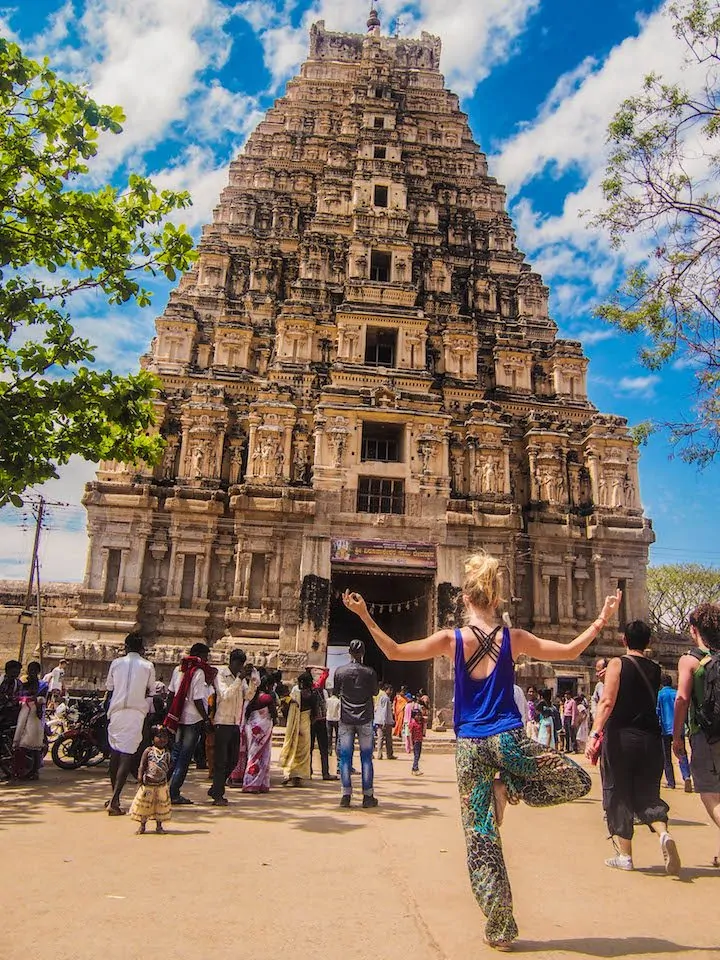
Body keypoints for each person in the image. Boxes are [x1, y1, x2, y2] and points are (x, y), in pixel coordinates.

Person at [342, 551, 618, 950]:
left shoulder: (451, 641)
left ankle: (501, 927)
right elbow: (571, 651)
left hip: (470, 746)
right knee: (574, 779)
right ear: (496, 599)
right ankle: (511, 789)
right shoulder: (515, 639)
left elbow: (394, 652)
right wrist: (602, 618)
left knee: (480, 834)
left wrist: (365, 616)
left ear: (465, 600)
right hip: (508, 740)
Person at [587, 620, 681, 876]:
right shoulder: (655, 668)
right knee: (648, 793)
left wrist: (595, 732)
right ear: (648, 642)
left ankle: (625, 856)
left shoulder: (618, 663)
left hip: (621, 738)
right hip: (650, 739)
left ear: (624, 640)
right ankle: (663, 834)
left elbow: (607, 702)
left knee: (618, 793)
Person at [673, 602, 720, 868]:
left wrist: (677, 736)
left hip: (705, 733)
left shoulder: (690, 660)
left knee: (709, 794)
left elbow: (682, 698)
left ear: (694, 630)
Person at [105, 633, 156, 816]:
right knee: (126, 756)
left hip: (117, 711)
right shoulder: (148, 666)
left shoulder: (116, 663)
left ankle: (114, 797)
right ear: (142, 648)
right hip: (135, 713)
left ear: (125, 647)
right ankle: (114, 799)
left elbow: (110, 688)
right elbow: (151, 690)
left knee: (115, 754)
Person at [165, 642, 216, 806]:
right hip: (193, 719)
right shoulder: (199, 672)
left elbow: (171, 694)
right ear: (200, 655)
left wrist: (170, 715)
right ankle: (173, 793)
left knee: (175, 753)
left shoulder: (178, 669)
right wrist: (206, 719)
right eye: (206, 656)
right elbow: (197, 699)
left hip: (179, 718)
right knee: (184, 758)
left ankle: (159, 787)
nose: (207, 659)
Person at [334, 639, 379, 809]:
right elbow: (375, 691)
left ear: (349, 652)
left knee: (345, 758)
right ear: (363, 653)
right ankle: (368, 796)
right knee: (366, 758)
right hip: (365, 718)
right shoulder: (369, 672)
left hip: (346, 718)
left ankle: (346, 795)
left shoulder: (340, 671)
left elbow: (336, 692)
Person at [209, 649, 256, 805]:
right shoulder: (221, 675)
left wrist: (252, 681)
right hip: (222, 722)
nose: (239, 668)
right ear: (231, 662)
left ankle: (216, 787)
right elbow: (226, 695)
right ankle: (218, 795)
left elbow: (248, 696)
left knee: (233, 760)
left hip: (235, 723)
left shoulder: (239, 678)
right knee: (221, 761)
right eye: (238, 664)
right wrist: (239, 678)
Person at [129, 725, 172, 835]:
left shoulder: (167, 753)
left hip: (161, 785)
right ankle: (142, 826)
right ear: (153, 739)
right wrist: (140, 777)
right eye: (159, 736)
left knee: (160, 806)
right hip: (148, 784)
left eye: (165, 737)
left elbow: (169, 767)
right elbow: (142, 765)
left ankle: (159, 826)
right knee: (144, 806)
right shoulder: (148, 751)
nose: (162, 739)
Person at [242, 674, 278, 793]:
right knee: (262, 757)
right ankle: (255, 784)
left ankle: (250, 782)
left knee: (252, 755)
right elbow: (273, 714)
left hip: (252, 729)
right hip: (263, 729)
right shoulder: (267, 698)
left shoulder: (253, 697)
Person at [657, 674, 692, 791]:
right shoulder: (677, 693)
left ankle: (671, 782)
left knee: (666, 756)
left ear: (661, 684)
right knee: (681, 752)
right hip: (678, 727)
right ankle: (686, 776)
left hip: (665, 729)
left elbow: (658, 711)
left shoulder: (660, 695)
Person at [279, 670, 315, 786]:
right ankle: (297, 776)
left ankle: (291, 774)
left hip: (296, 722)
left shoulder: (296, 691)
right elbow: (316, 713)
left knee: (293, 748)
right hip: (305, 724)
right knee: (302, 751)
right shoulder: (312, 694)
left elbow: (286, 705)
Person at [13, 662, 48, 779]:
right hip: (24, 713)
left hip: (35, 716)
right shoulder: (23, 683)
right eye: (30, 669)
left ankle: (34, 770)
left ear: (38, 671)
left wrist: (35, 700)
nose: (32, 672)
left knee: (34, 745)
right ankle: (22, 770)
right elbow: (18, 696)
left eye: (34, 670)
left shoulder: (43, 685)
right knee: (22, 744)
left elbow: (42, 699)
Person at [309, 665, 336, 780]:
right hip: (320, 721)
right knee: (323, 749)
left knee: (309, 748)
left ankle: (308, 771)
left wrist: (311, 667)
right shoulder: (319, 687)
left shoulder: (306, 689)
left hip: (310, 721)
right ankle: (325, 773)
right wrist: (315, 667)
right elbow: (326, 671)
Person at [0, 660, 22, 734]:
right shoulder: (1, 681)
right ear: (7, 670)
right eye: (14, 671)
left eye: (18, 671)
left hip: (9, 714)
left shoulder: (18, 683)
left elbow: (19, 696)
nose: (17, 673)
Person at [374, 683, 395, 759]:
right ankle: (389, 754)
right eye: (390, 690)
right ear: (386, 690)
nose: (391, 691)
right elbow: (384, 711)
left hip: (380, 721)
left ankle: (379, 754)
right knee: (388, 739)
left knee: (380, 738)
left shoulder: (381, 698)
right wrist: (384, 721)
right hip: (385, 722)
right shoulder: (386, 698)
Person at [409, 705, 425, 776]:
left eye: (419, 715)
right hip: (415, 741)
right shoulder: (413, 724)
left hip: (419, 740)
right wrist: (411, 744)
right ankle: (415, 768)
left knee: (418, 756)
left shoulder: (420, 723)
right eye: (417, 715)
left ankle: (414, 768)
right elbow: (410, 734)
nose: (419, 717)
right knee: (416, 755)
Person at [326, 688, 341, 755]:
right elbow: (339, 711)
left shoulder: (328, 700)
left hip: (329, 718)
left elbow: (326, 708)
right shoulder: (338, 701)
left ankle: (329, 750)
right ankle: (337, 750)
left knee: (329, 735)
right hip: (336, 719)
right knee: (337, 735)